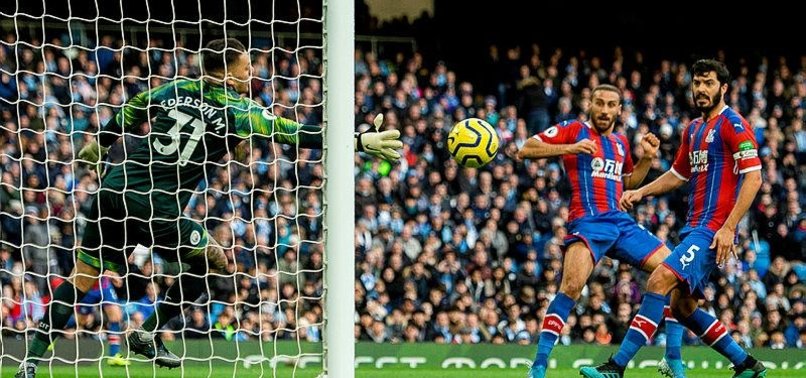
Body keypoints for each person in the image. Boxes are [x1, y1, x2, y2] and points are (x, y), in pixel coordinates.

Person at [15, 37, 402, 378]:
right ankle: (147, 331)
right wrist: (357, 140)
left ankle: (29, 362)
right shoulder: (238, 108)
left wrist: (103, 140)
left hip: (112, 191)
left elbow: (135, 105)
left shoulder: (176, 88)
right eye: (247, 67)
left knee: (81, 280)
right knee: (216, 263)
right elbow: (294, 134)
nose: (254, 72)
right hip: (156, 206)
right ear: (230, 75)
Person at [580, 59, 766, 378]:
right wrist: (641, 192)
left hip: (712, 230)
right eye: (697, 83)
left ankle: (617, 366)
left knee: (659, 279)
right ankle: (747, 364)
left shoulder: (734, 124)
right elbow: (678, 174)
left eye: (708, 83)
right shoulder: (693, 129)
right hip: (693, 226)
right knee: (683, 307)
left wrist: (729, 227)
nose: (701, 89)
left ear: (723, 88)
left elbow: (754, 178)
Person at [517, 84, 686, 378]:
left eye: (611, 105)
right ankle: (539, 367)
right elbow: (525, 149)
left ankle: (672, 358)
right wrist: (568, 148)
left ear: (619, 110)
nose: (605, 110)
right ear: (590, 104)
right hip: (587, 222)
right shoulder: (573, 129)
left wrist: (647, 158)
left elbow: (629, 184)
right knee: (570, 288)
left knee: (675, 271)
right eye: (600, 103)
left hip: (620, 222)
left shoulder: (620, 143)